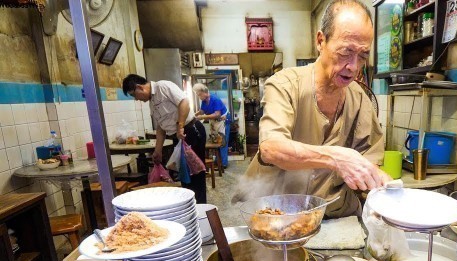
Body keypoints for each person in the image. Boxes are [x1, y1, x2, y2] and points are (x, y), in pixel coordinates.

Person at [237, 0, 390, 218]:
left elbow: (369, 161)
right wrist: (337, 158)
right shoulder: (285, 85)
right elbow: (271, 148)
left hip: (337, 214)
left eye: (363, 56)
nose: (354, 67)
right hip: (282, 214)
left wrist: (379, 180)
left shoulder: (360, 99)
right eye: (346, 52)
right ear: (321, 41)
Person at [122, 74, 207, 203]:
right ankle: (189, 205)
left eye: (134, 95)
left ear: (139, 87)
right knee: (184, 174)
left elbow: (184, 102)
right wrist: (158, 150)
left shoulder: (163, 86)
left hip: (191, 131)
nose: (136, 99)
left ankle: (200, 208)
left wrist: (180, 126)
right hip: (179, 137)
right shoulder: (152, 103)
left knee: (196, 174)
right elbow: (161, 128)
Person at [192, 83, 231, 167]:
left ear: (204, 92)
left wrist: (202, 117)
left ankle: (223, 164)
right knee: (215, 141)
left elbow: (217, 114)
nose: (198, 96)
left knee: (222, 142)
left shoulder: (215, 99)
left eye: (199, 94)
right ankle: (217, 162)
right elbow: (202, 111)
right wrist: (193, 115)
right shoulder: (204, 101)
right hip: (215, 122)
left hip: (223, 121)